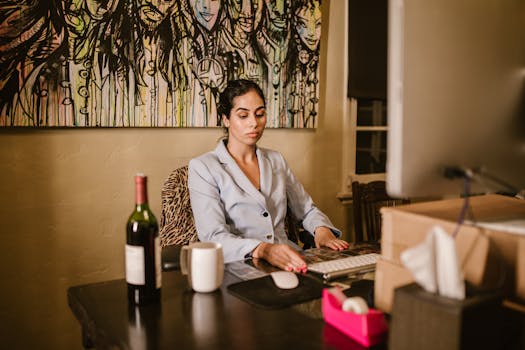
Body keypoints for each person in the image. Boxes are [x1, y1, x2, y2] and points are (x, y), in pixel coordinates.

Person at [188, 79, 349, 272]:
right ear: (226, 119)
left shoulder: (276, 160)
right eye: (243, 115)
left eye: (260, 114)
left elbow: (306, 210)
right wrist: (263, 250)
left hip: (290, 260)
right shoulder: (203, 167)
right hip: (239, 266)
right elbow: (213, 236)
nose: (254, 123)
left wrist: (321, 230)